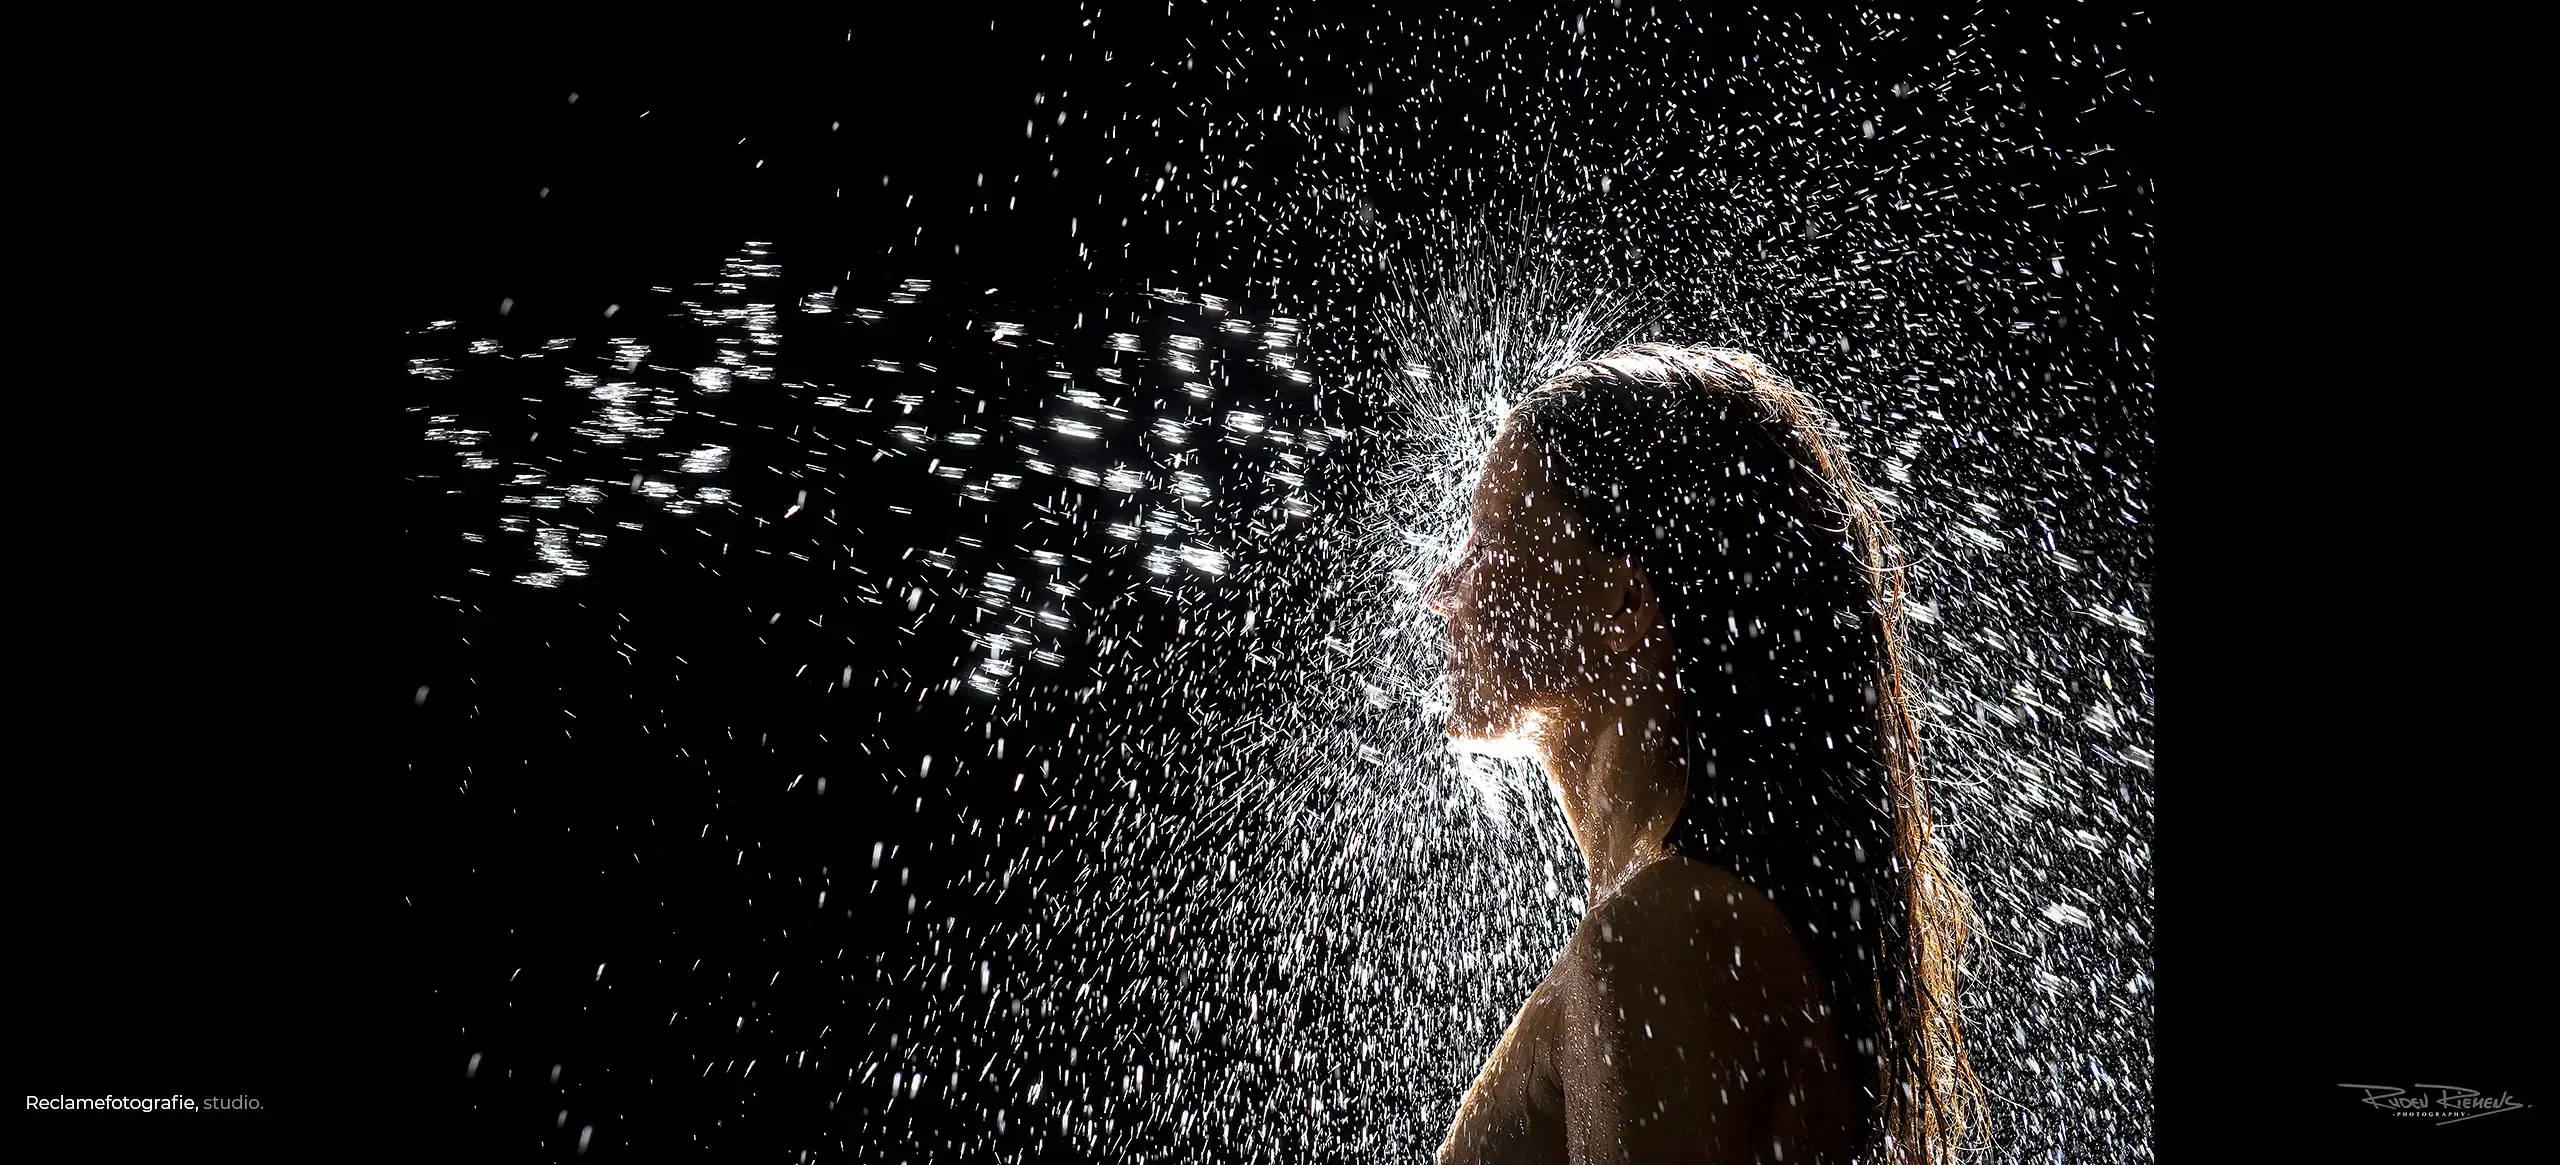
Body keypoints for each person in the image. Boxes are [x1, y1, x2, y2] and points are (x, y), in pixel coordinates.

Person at [1423, 344, 1983, 1165]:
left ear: (1623, 602)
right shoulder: (1677, 927)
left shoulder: (1664, 932)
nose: (1445, 588)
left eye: (1486, 540)